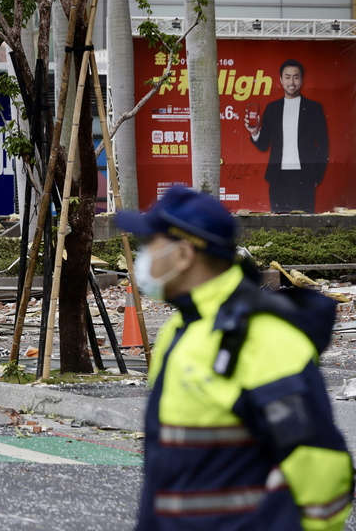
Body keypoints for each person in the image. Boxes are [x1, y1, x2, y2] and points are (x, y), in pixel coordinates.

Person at [115, 186, 353, 530]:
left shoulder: (261, 339)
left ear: (183, 255)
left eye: (150, 244)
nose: (142, 256)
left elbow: (321, 467)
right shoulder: (183, 329)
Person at [244, 59, 329, 213]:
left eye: (296, 77)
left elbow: (323, 145)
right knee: (278, 222)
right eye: (287, 77)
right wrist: (255, 131)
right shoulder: (272, 108)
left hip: (305, 175)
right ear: (281, 80)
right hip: (278, 176)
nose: (292, 81)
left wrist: (317, 176)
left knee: (304, 224)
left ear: (302, 80)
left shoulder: (314, 108)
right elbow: (263, 145)